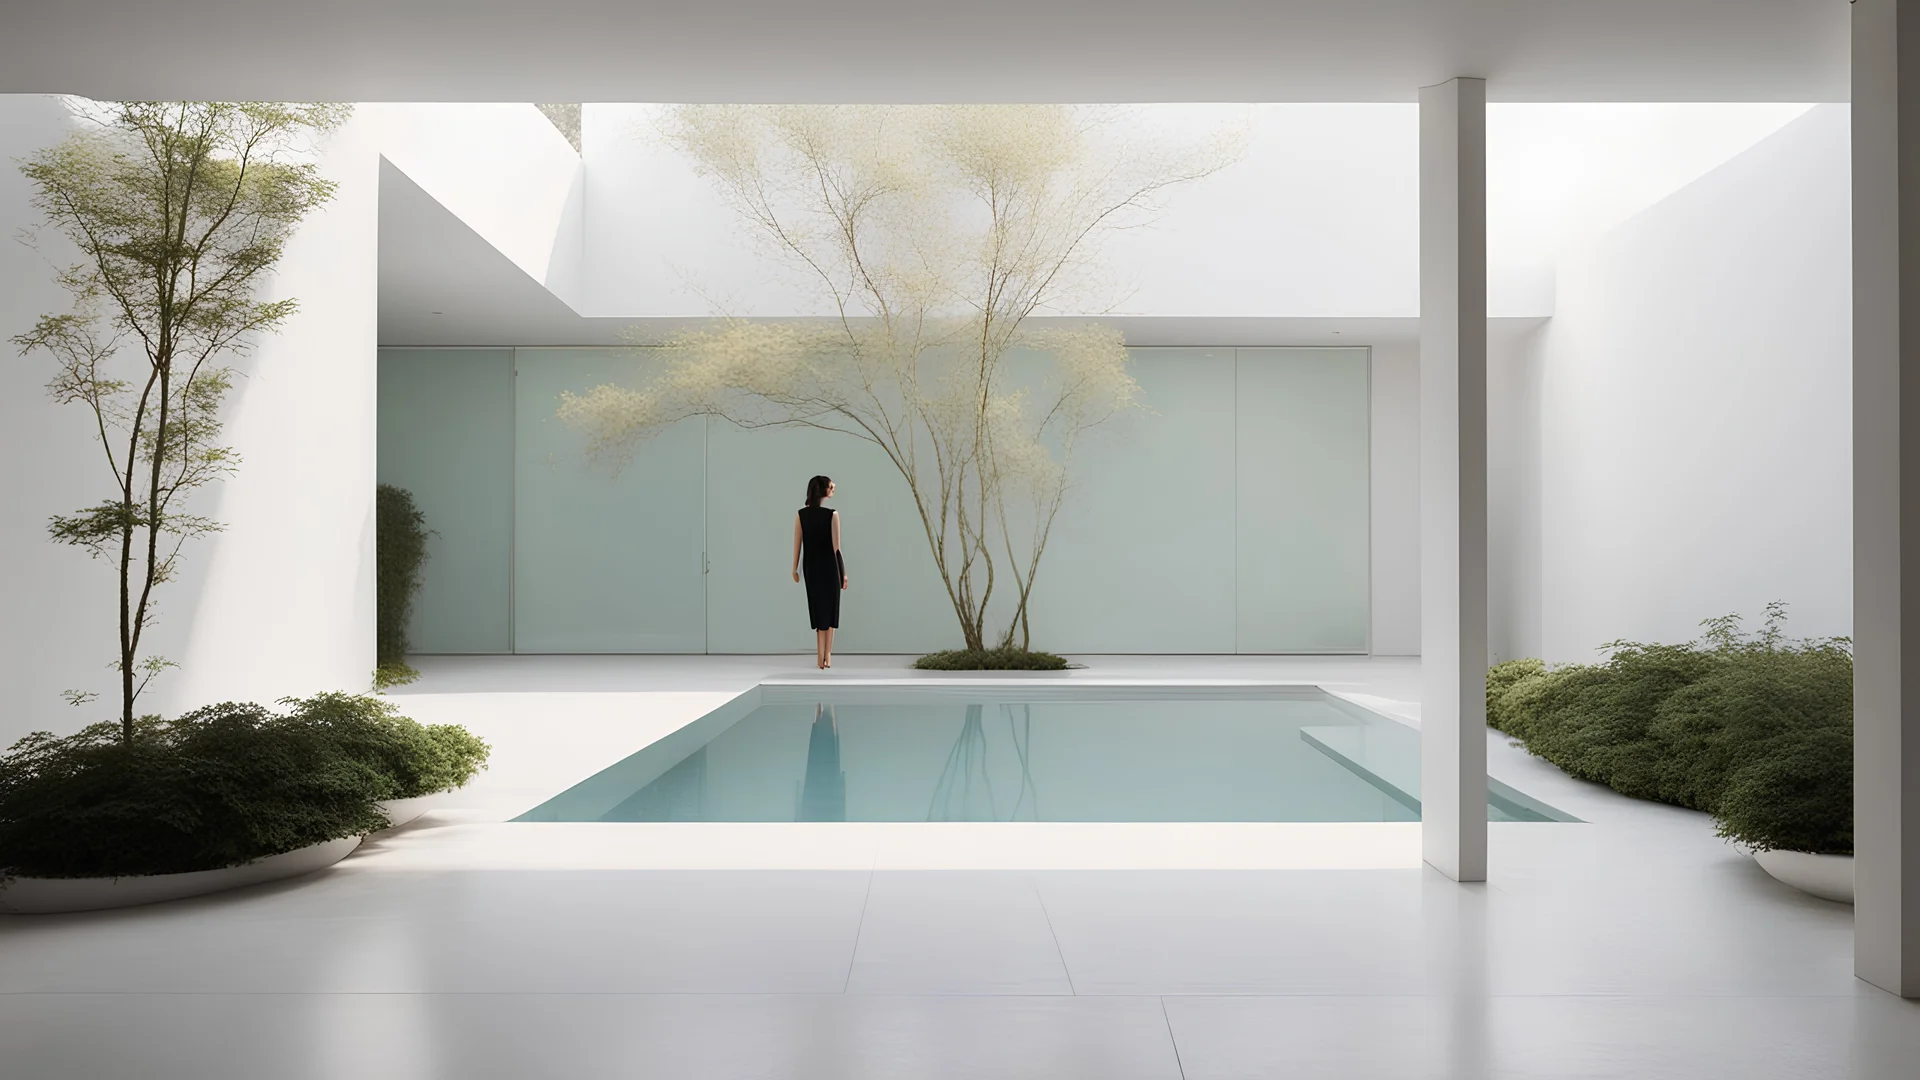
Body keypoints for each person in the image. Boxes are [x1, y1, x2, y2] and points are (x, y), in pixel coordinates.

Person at [792, 475, 848, 669]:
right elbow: (798, 545)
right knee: (822, 611)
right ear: (822, 490)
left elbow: (836, 548)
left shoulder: (826, 515)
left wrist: (843, 573)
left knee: (827, 611)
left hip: (820, 568)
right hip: (820, 568)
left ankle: (826, 655)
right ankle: (822, 656)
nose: (834, 488)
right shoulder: (814, 515)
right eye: (830, 486)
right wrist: (795, 567)